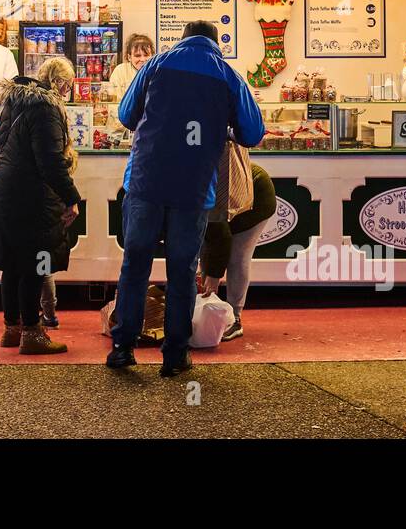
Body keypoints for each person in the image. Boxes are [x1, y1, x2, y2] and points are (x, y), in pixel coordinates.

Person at [106, 21, 265, 377]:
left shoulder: (155, 64)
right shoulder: (228, 75)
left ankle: (122, 349)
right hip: (192, 189)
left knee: (135, 265)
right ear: (215, 43)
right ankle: (175, 355)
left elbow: (125, 115)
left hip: (145, 183)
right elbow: (252, 132)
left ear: (183, 39)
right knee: (181, 270)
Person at [0, 57, 80, 355]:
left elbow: (2, 148)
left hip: (4, 188)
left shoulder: (14, 102)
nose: (68, 91)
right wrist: (71, 197)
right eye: (69, 86)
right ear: (61, 84)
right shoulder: (46, 109)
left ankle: (12, 328)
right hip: (31, 194)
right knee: (37, 262)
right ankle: (33, 333)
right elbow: (50, 162)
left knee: (12, 263)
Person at [201, 159, 277, 341]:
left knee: (238, 256)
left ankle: (234, 318)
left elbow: (221, 236)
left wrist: (213, 277)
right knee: (207, 249)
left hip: (256, 196)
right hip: (225, 196)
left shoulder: (202, 192)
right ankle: (208, 310)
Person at [106, 33, 154, 102]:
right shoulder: (120, 71)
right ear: (129, 57)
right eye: (137, 56)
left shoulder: (158, 71)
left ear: (152, 56)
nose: (142, 59)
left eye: (146, 55)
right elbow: (114, 99)